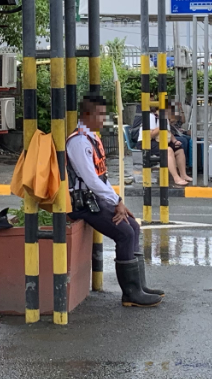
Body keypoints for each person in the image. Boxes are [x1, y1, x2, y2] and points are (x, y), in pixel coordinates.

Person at [66, 94, 164, 307]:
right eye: (99, 114)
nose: (103, 119)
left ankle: (138, 286)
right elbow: (91, 180)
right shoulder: (78, 141)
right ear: (86, 115)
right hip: (82, 204)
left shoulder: (92, 137)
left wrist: (117, 201)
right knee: (125, 233)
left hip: (96, 200)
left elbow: (102, 177)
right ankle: (130, 294)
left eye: (104, 114)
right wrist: (115, 200)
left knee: (133, 227)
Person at [137, 104, 193, 186]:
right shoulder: (151, 117)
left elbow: (168, 132)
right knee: (168, 150)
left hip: (160, 140)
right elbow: (150, 135)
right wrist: (161, 126)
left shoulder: (164, 118)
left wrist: (175, 141)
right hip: (146, 141)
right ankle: (176, 177)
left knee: (179, 149)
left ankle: (183, 175)